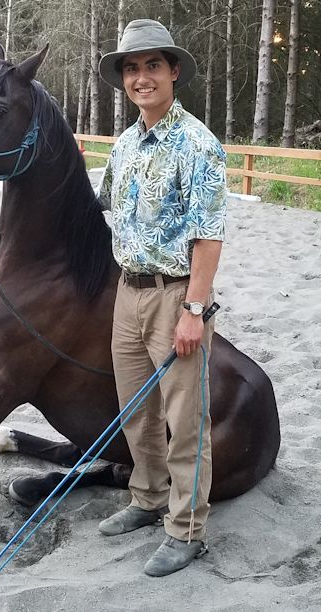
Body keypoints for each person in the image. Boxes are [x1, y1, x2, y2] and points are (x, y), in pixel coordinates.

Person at [95, 19, 227, 577]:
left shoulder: (198, 143)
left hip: (177, 296)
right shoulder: (125, 144)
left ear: (173, 72)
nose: (141, 77)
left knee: (185, 421)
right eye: (132, 68)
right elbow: (98, 207)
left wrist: (194, 310)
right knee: (136, 412)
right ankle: (147, 498)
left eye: (152, 65)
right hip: (128, 294)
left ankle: (187, 529)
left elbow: (208, 233)